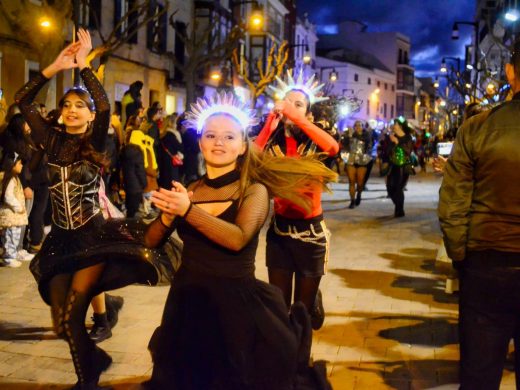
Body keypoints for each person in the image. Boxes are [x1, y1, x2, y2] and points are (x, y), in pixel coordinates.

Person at [142, 92, 336, 390]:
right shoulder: (192, 188)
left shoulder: (254, 191)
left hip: (234, 311)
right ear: (201, 142)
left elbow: (238, 239)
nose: (219, 142)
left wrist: (188, 211)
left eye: (229, 136)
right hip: (187, 303)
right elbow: (151, 242)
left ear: (243, 145)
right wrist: (167, 217)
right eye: (211, 135)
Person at [15, 29, 161, 389]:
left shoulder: (93, 140)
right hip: (61, 239)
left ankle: (87, 380)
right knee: (63, 324)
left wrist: (84, 68)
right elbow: (23, 100)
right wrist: (55, 66)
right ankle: (95, 359)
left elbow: (106, 105)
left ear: (89, 115)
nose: (71, 110)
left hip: (92, 236)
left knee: (74, 311)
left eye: (79, 106)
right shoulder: (50, 139)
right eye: (66, 105)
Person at [439, 42, 520, 390]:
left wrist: (462, 257)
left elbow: (453, 205)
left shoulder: (477, 129)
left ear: (510, 73)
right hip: (488, 261)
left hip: (488, 264)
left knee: (479, 373)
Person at [255, 70, 339, 330]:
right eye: (287, 102)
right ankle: (283, 362)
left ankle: (301, 364)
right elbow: (253, 157)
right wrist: (271, 123)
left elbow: (334, 148)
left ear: (309, 114)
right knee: (279, 308)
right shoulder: (273, 143)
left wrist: (297, 119)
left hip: (311, 234)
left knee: (302, 314)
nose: (290, 108)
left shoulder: (315, 142)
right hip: (280, 233)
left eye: (298, 104)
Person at [0, 153, 29, 268]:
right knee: (10, 237)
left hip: (14, 216)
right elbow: (8, 196)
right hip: (11, 215)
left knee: (14, 236)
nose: (21, 166)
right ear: (12, 165)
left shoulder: (14, 178)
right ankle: (8, 258)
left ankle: (11, 255)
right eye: (19, 163)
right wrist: (19, 207)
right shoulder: (9, 179)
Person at [385, 117, 414, 218]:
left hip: (404, 166)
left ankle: (399, 210)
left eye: (395, 124)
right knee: (390, 188)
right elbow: (387, 151)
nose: (394, 125)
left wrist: (397, 142)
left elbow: (408, 151)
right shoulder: (392, 137)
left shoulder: (408, 137)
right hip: (393, 165)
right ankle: (398, 207)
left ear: (400, 126)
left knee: (398, 188)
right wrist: (392, 143)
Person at [341, 120, 373, 208]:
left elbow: (369, 145)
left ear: (363, 127)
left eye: (360, 125)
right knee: (351, 181)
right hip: (351, 160)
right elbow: (344, 144)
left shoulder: (366, 135)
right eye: (356, 125)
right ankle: (352, 200)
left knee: (360, 182)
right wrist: (349, 136)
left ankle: (359, 194)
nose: (358, 127)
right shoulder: (350, 134)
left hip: (362, 161)